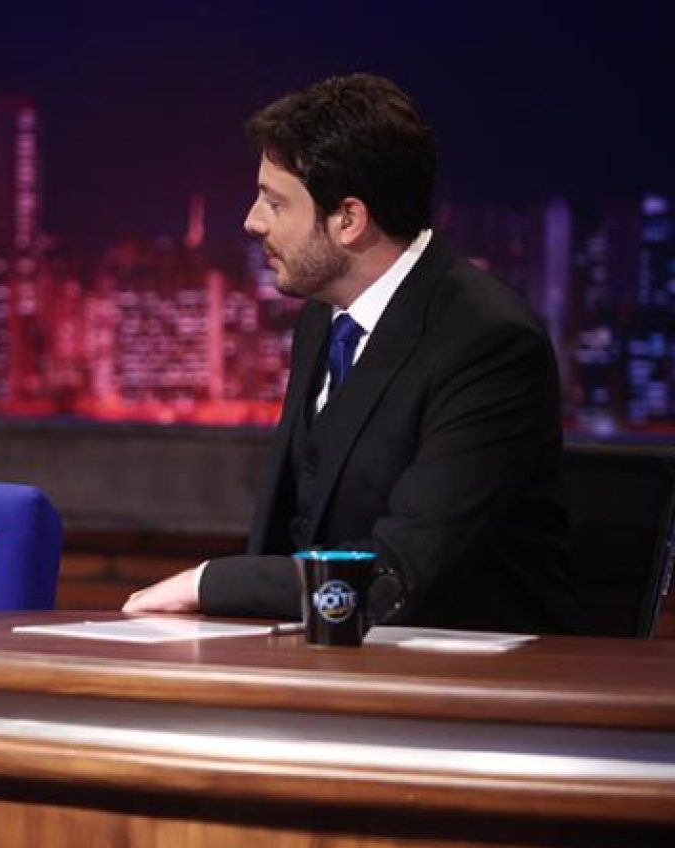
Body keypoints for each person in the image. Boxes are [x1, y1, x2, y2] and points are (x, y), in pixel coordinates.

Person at [124, 73, 578, 633]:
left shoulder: (489, 343)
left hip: (471, 674)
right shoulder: (323, 317)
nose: (252, 221)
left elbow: (397, 574)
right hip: (328, 652)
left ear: (348, 219)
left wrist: (207, 584)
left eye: (275, 202)